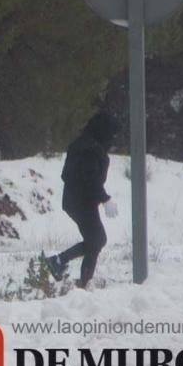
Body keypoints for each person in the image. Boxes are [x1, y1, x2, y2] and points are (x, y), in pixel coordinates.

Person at [45, 111, 121, 289]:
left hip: (75, 200)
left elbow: (72, 175)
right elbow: (90, 178)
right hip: (82, 201)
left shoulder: (82, 144)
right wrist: (105, 199)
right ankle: (70, 271)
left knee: (96, 239)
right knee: (97, 239)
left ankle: (65, 266)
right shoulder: (92, 150)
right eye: (112, 134)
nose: (113, 139)